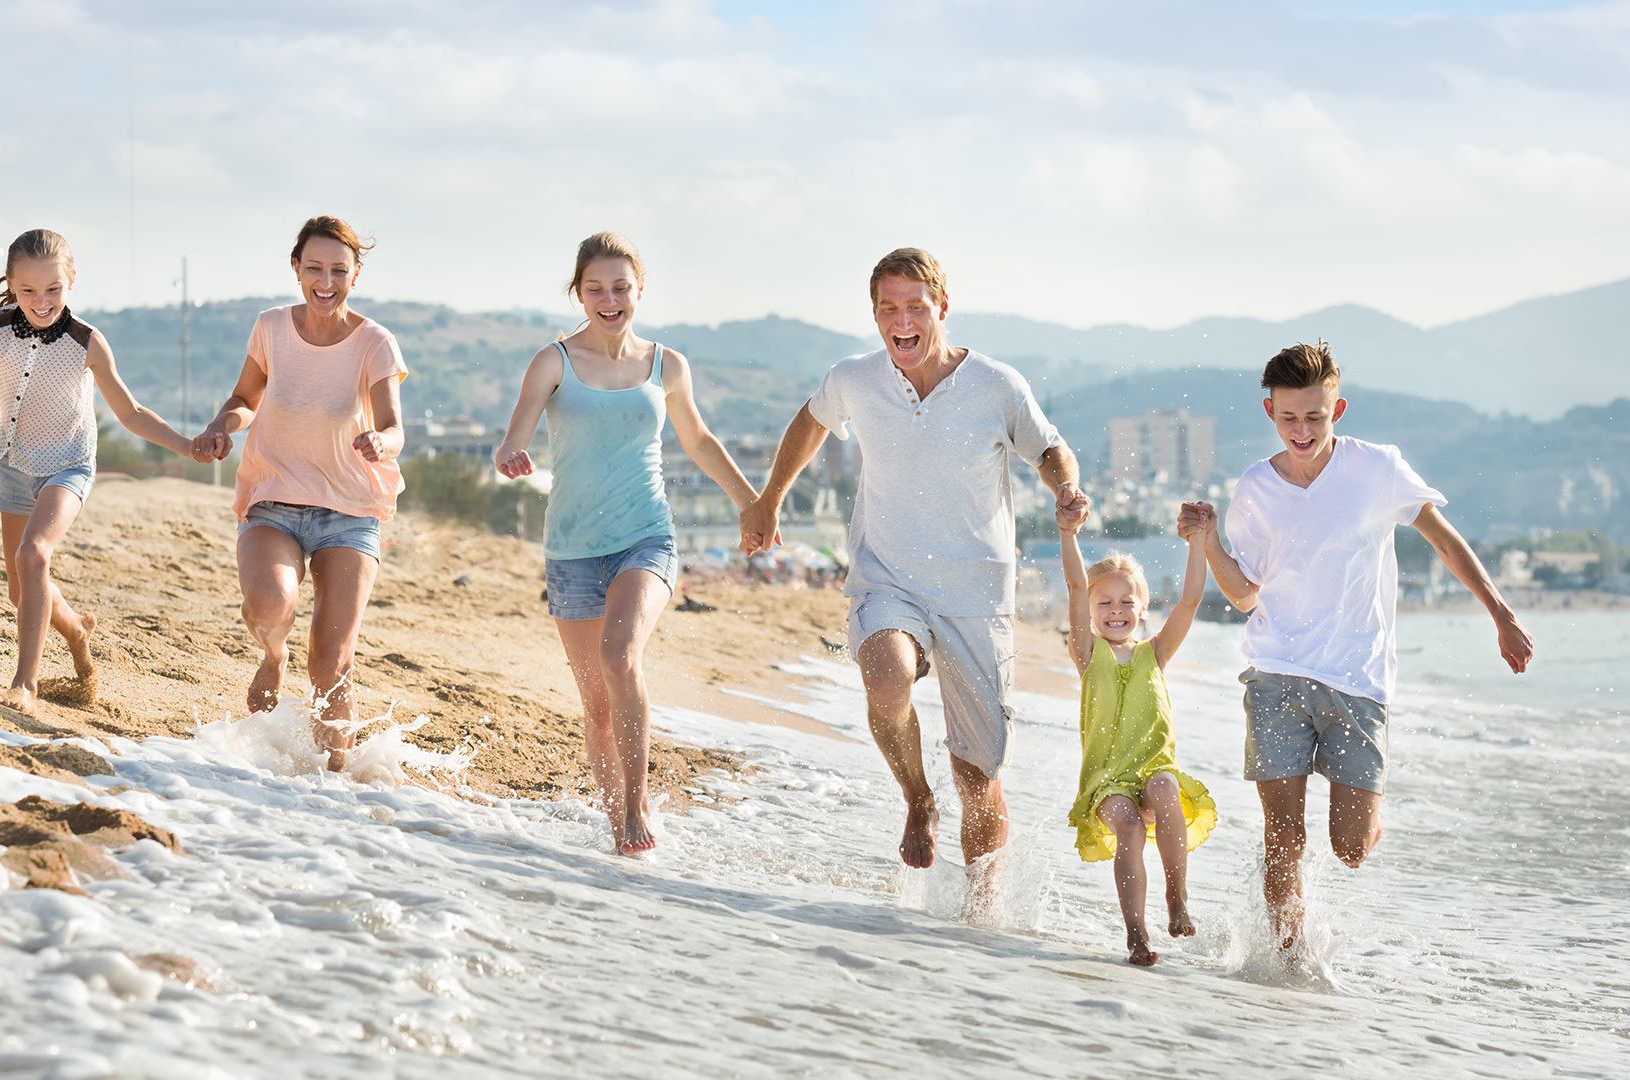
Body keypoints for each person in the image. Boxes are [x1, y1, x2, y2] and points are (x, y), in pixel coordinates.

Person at [741, 247, 1088, 894]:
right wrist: (769, 498)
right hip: (888, 579)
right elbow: (811, 423)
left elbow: (1048, 448)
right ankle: (916, 798)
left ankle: (979, 923)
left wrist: (1064, 487)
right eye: (887, 309)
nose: (901, 321)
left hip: (977, 594)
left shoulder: (996, 385)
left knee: (979, 779)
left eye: (914, 307)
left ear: (942, 309)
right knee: (886, 675)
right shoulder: (854, 378)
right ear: (874, 315)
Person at [1182, 340, 1534, 951]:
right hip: (1276, 673)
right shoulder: (1255, 489)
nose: (1301, 430)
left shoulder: (1377, 470)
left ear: (1337, 410)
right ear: (1269, 411)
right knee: (1283, 837)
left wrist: (1499, 613)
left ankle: (1365, 812)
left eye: (1314, 417)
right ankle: (1287, 965)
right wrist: (1210, 540)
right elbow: (1243, 596)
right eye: (1289, 417)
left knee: (1349, 848)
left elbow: (1445, 541)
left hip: (1358, 678)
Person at [494, 232, 759, 854]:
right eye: (596, 289)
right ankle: (619, 832)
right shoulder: (552, 362)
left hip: (645, 535)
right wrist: (512, 454)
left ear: (639, 291)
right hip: (571, 547)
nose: (608, 299)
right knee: (598, 706)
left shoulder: (667, 365)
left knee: (620, 658)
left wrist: (752, 501)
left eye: (620, 287)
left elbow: (697, 439)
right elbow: (515, 436)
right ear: (578, 294)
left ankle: (638, 808)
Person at [0, 228, 198, 715]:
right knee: (22, 590)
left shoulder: (87, 342)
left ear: (72, 281)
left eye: (53, 289)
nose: (41, 301)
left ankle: (26, 683)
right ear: (11, 286)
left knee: (34, 553)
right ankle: (76, 629)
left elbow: (131, 412)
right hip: (15, 466)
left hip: (69, 466)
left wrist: (185, 445)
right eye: (28, 290)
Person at [193, 217, 408, 773]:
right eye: (314, 268)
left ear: (355, 275)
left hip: (349, 512)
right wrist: (223, 426)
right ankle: (272, 654)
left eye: (339, 270)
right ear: (296, 268)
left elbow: (394, 426)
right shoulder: (271, 328)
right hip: (274, 499)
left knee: (332, 660)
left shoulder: (375, 343)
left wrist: (380, 442)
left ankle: (333, 786)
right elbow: (244, 397)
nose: (326, 280)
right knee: (270, 603)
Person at [1058, 507, 1218, 966]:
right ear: (1090, 613)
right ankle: (1137, 934)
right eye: (1104, 603)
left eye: (1126, 601)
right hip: (1108, 781)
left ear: (1142, 607)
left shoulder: (1156, 653)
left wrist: (1197, 542)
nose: (1115, 611)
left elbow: (1189, 601)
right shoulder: (1087, 654)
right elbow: (1073, 584)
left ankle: (1177, 893)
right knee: (1127, 827)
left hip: (1153, 770)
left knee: (1167, 786)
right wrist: (1068, 533)